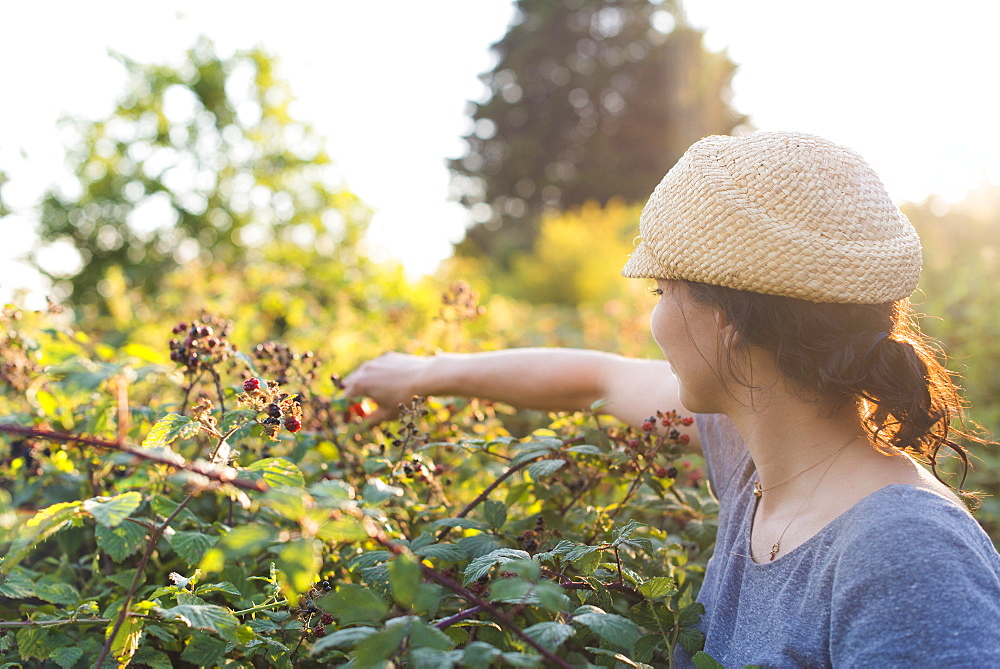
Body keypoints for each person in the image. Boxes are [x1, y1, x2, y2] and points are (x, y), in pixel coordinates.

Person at [343, 131, 1000, 666]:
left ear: (729, 322)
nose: (652, 322)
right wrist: (423, 372)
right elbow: (594, 379)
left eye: (662, 293)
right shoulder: (757, 449)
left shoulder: (905, 555)